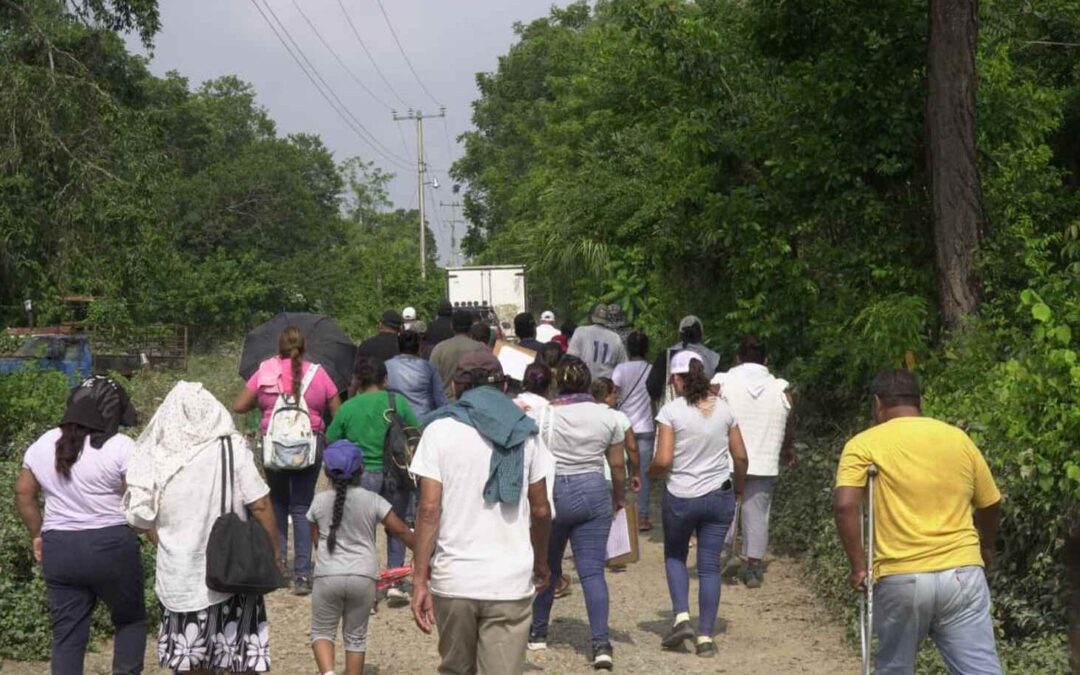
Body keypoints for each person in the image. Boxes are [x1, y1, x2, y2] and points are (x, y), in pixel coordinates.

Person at [833, 369, 1003, 675]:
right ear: (921, 401)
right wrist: (986, 547)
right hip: (962, 574)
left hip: (901, 576)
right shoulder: (958, 439)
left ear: (877, 404)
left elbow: (846, 506)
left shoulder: (863, 444)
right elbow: (990, 503)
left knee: (895, 668)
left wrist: (858, 566)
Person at [409, 350, 553, 675]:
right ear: (504, 388)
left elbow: (429, 509)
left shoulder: (438, 431)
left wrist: (419, 579)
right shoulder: (525, 434)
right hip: (509, 582)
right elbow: (541, 509)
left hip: (454, 579)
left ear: (457, 389)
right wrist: (541, 560)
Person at [126, 382, 280, 673]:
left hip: (180, 579)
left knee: (191, 663)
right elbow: (260, 504)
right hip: (231, 572)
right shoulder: (231, 448)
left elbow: (139, 519)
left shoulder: (156, 455)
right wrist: (273, 552)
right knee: (233, 659)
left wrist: (168, 542)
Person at [15, 378, 146, 675]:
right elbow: (136, 501)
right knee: (130, 620)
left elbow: (23, 491)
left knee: (67, 634)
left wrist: (37, 533)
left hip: (59, 547)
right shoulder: (120, 445)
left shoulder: (43, 443)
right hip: (111, 545)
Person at [649, 351, 748, 658]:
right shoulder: (725, 410)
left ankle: (681, 617)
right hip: (718, 496)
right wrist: (738, 490)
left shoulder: (672, 411)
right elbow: (741, 456)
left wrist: (648, 473)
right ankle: (705, 636)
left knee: (676, 556)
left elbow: (664, 460)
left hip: (681, 496)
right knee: (708, 567)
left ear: (678, 379)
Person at [530, 357, 626, 671]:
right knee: (592, 573)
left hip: (555, 492)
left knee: (547, 566)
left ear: (560, 383)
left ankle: (538, 632)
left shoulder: (546, 414)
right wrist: (619, 498)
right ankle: (601, 645)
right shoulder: (608, 416)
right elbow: (616, 466)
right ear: (587, 383)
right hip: (594, 490)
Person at [234, 326, 341, 594]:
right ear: (304, 348)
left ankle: (278, 566)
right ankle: (303, 574)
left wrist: (265, 403)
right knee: (303, 505)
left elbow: (239, 405)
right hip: (309, 444)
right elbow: (336, 411)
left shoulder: (265, 371)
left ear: (278, 347)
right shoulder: (319, 373)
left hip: (275, 447)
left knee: (278, 504)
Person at [307, 440, 416, 675]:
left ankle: (328, 673)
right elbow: (400, 530)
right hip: (364, 576)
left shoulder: (318, 502)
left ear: (326, 471)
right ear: (362, 469)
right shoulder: (373, 500)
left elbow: (315, 540)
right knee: (356, 637)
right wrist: (424, 550)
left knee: (322, 632)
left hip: (327, 576)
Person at [326, 357, 421, 603]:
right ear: (385, 380)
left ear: (359, 380)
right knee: (397, 526)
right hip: (395, 473)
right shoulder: (396, 401)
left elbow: (331, 437)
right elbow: (415, 430)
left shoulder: (348, 407)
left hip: (361, 474)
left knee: (360, 532)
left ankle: (364, 586)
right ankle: (396, 583)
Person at [712, 335, 795, 588]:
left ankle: (723, 554)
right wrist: (788, 448)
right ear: (766, 360)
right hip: (764, 460)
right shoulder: (781, 388)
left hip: (725, 459)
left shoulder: (721, 382)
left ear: (737, 358)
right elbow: (789, 418)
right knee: (757, 513)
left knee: (722, 509)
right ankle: (753, 567)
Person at [612, 331, 655, 531]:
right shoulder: (652, 369)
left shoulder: (620, 369)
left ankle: (619, 516)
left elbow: (614, 393)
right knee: (643, 474)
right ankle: (643, 517)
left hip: (622, 428)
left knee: (619, 470)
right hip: (646, 427)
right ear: (646, 349)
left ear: (628, 348)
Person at [646, 316, 720, 404]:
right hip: (706, 410)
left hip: (674, 412)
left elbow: (653, 386)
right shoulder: (713, 357)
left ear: (680, 334)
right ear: (701, 334)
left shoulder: (666, 355)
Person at [591, 377, 642, 498]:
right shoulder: (619, 417)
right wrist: (635, 472)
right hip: (615, 478)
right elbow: (632, 447)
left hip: (592, 477)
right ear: (606, 396)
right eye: (614, 392)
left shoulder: (585, 416)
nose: (617, 396)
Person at [387, 329, 449, 420]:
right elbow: (440, 399)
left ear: (398, 346)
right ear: (419, 347)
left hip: (396, 423)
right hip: (423, 422)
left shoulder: (387, 367)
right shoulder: (429, 368)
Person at [430, 310, 486, 399]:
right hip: (474, 402)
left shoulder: (439, 349)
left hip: (446, 403)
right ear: (471, 327)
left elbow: (431, 379)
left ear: (452, 326)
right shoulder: (480, 349)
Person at [567, 304, 627, 380]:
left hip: (584, 382)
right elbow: (623, 365)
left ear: (591, 317)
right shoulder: (615, 337)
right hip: (606, 385)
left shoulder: (581, 331)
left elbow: (571, 358)